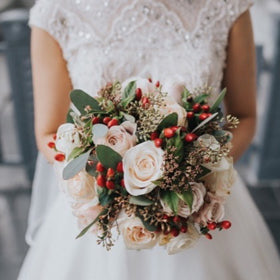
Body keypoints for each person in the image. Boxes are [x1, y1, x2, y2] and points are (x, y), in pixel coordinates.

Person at [18, 0, 280, 279]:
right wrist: (115, 186)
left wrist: (197, 175)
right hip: (102, 210)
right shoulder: (58, 10)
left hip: (199, 205)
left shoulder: (228, 5)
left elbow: (244, 116)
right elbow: (49, 132)